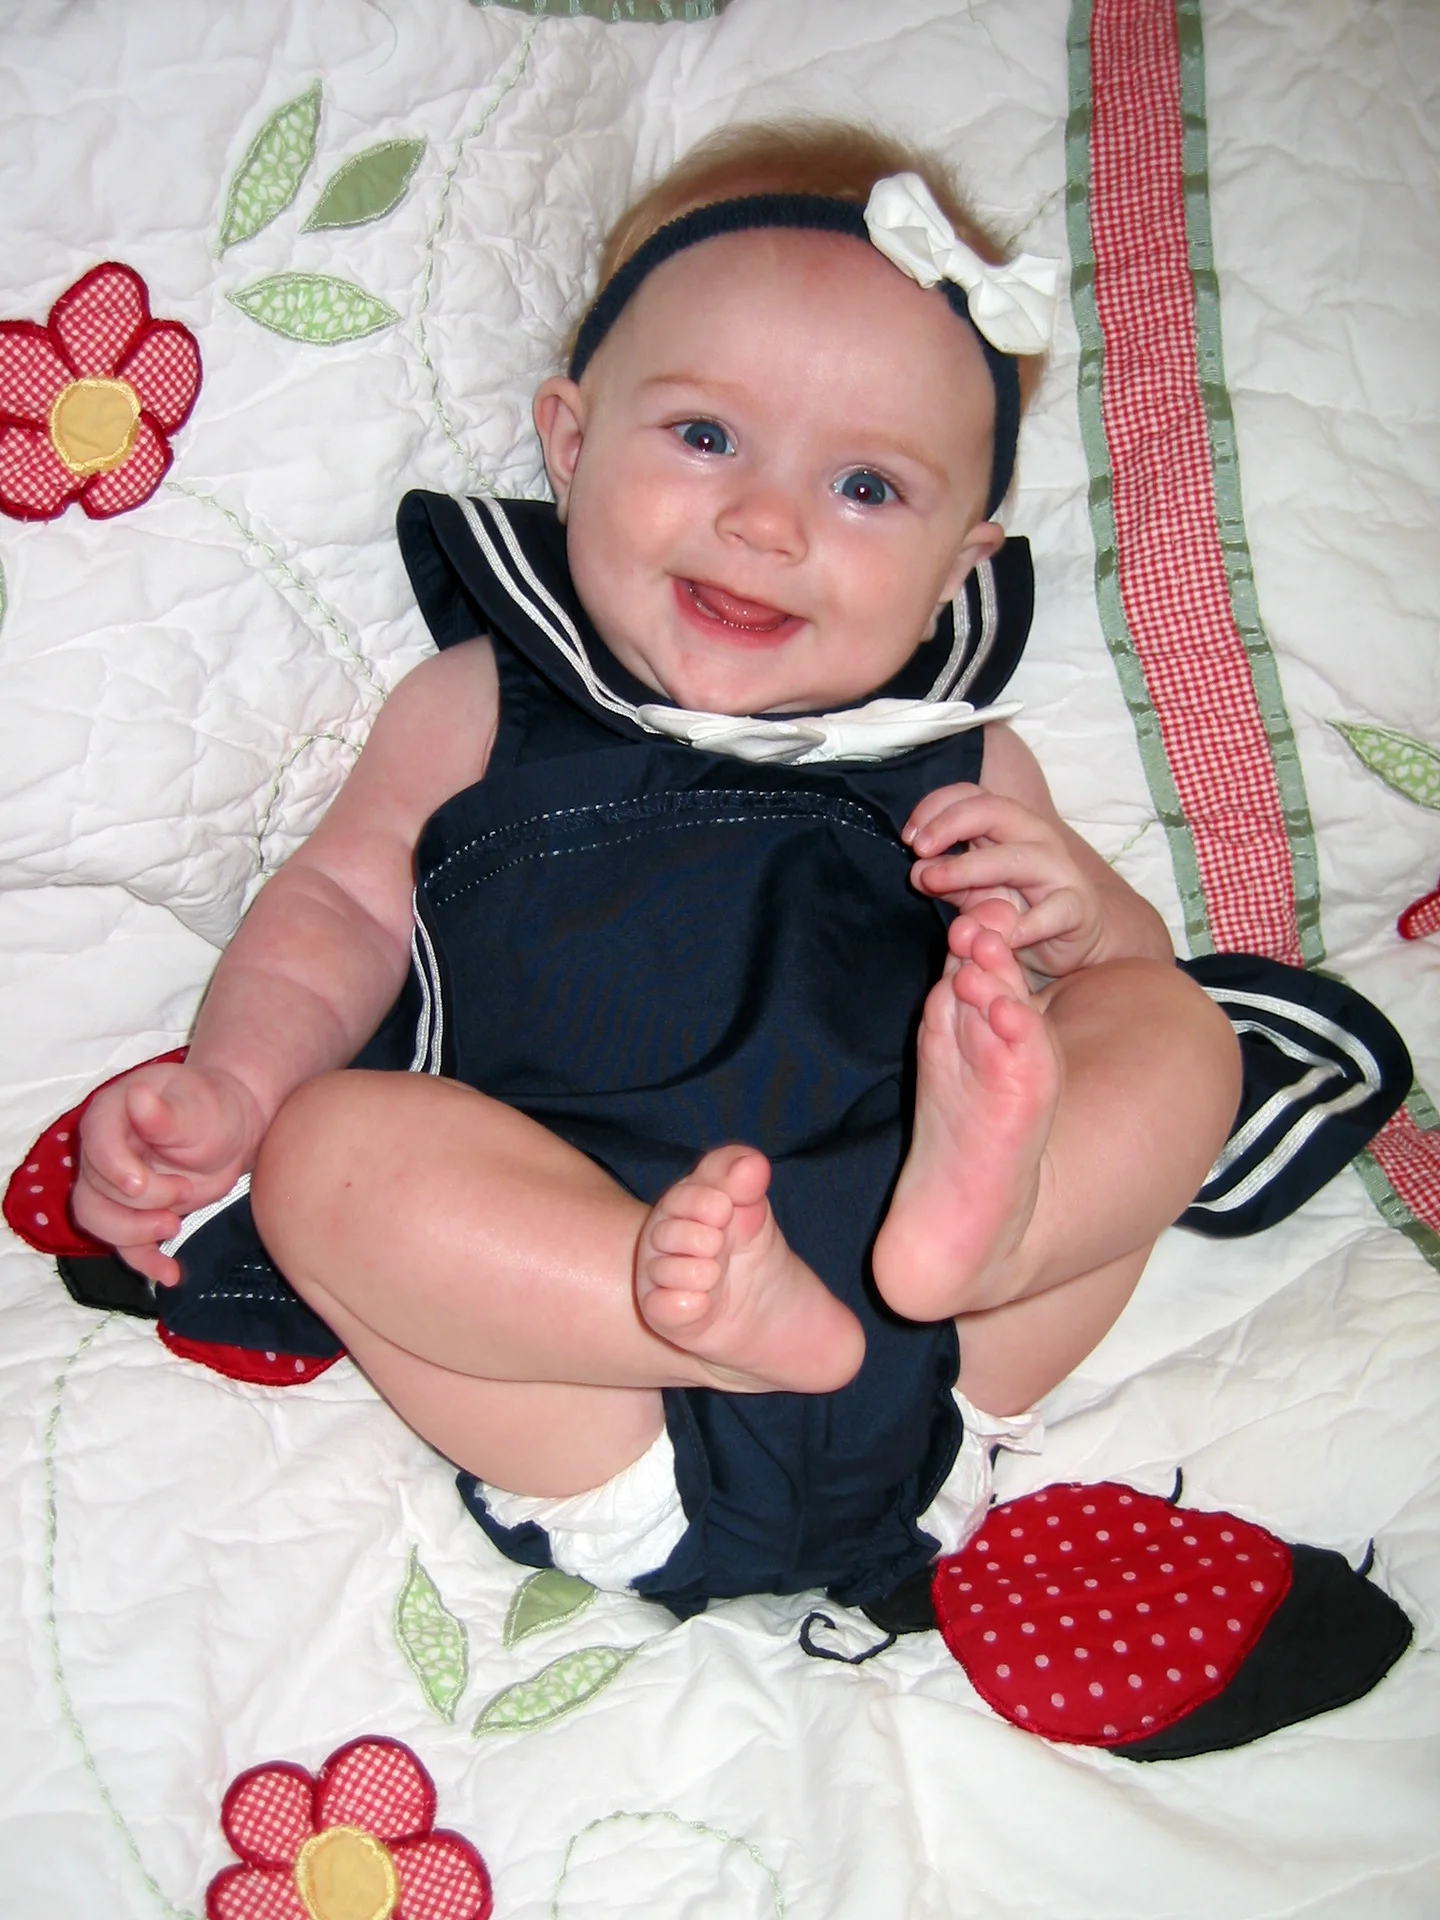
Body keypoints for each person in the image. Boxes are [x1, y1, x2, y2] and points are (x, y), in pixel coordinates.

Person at [71, 123, 1244, 1617]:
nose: (766, 521)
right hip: (589, 1376)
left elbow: (1119, 987)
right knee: (327, 1155)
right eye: (704, 437)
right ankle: (696, 1310)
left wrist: (1083, 927)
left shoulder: (963, 760)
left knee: (1178, 1025)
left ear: (960, 566)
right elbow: (343, 908)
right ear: (570, 444)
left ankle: (998, 1229)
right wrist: (238, 1087)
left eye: (867, 487)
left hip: (954, 1341)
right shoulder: (484, 704)